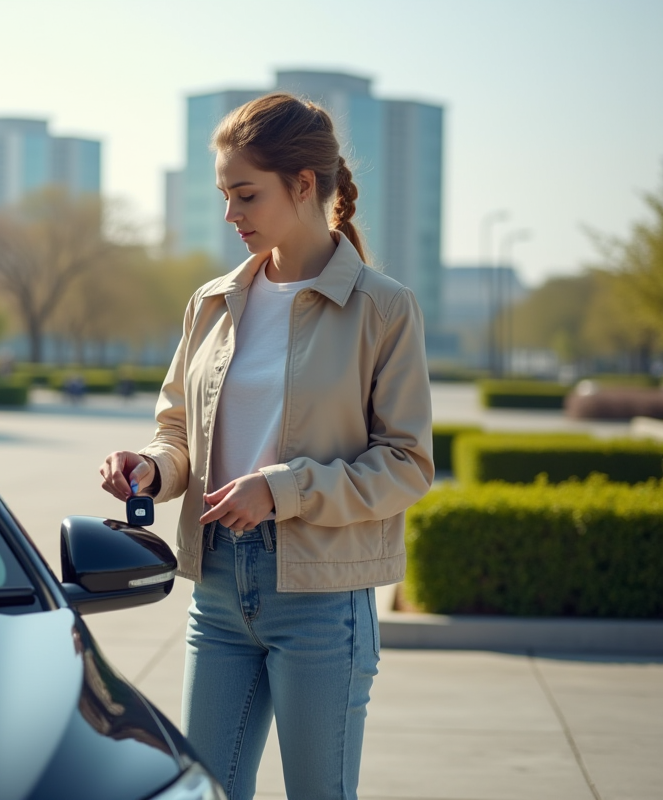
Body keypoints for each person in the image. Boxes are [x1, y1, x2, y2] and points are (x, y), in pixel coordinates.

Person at [98, 93, 434, 800]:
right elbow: (179, 432)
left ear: (304, 184)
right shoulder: (212, 303)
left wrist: (282, 489)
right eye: (224, 195)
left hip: (321, 597)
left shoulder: (383, 308)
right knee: (206, 793)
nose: (231, 215)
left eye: (245, 194)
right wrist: (151, 471)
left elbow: (406, 464)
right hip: (217, 589)